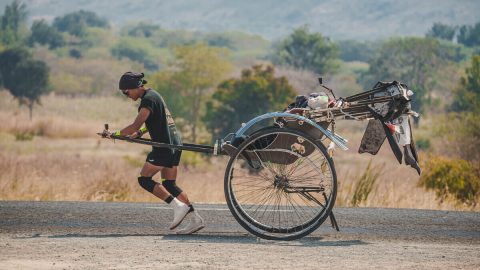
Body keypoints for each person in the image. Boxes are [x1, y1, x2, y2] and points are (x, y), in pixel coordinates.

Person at [104, 71, 205, 234]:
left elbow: (134, 126)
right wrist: (140, 133)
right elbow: (153, 122)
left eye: (126, 92)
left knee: (144, 179)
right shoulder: (154, 95)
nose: (126, 95)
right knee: (169, 184)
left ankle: (178, 207)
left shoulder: (147, 101)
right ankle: (195, 219)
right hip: (174, 144)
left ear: (135, 87)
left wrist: (113, 134)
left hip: (163, 147)